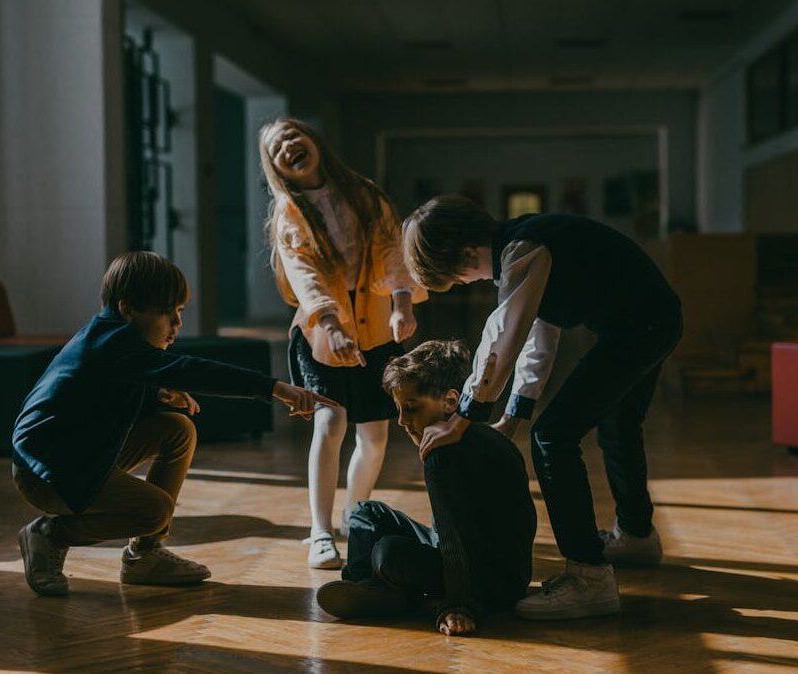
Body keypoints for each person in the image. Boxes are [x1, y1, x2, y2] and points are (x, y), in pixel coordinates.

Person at [402, 195, 683, 621]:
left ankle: (589, 577)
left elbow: (503, 336)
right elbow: (538, 339)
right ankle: (637, 535)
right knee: (618, 424)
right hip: (651, 320)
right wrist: (513, 415)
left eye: (458, 278)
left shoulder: (523, 250)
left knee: (553, 436)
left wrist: (464, 416)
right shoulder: (528, 244)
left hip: (640, 327)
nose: (466, 283)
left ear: (466, 254)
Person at [12, 251, 335, 597]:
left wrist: (156, 395)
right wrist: (273, 388)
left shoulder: (112, 338)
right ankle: (48, 535)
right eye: (167, 312)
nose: (177, 324)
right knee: (154, 511)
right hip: (48, 474)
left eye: (179, 311)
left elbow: (97, 399)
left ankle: (144, 556)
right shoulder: (112, 343)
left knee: (177, 429)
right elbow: (190, 370)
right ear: (127, 309)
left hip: (78, 456)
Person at [260, 117, 426, 569]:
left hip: (375, 328)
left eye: (293, 136)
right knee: (330, 422)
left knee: (375, 434)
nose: (288, 146)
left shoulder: (365, 194)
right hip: (321, 331)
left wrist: (402, 303)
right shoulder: (289, 214)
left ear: (313, 140)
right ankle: (320, 530)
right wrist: (331, 324)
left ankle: (356, 517)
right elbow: (305, 276)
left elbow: (392, 250)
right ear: (275, 168)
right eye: (277, 148)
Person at [316, 340, 535, 636]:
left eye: (411, 408)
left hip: (489, 581)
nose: (402, 421)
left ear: (450, 401)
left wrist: (458, 606)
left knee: (386, 552)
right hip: (476, 560)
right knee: (364, 512)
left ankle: (391, 595)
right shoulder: (482, 435)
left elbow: (454, 536)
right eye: (399, 409)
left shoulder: (442, 454)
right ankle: (366, 588)